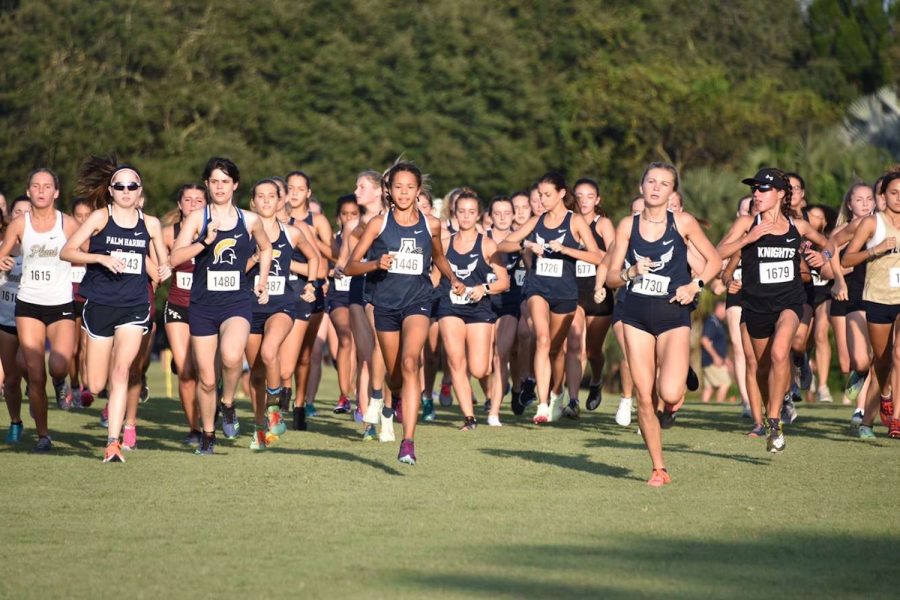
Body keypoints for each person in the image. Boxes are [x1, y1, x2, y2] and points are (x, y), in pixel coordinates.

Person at [605, 162, 721, 485]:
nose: (656, 187)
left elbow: (713, 261)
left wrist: (694, 286)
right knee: (644, 396)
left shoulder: (682, 222)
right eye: (651, 181)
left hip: (673, 316)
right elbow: (612, 276)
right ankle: (659, 468)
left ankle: (677, 377)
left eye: (664, 183)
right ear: (641, 187)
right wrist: (631, 272)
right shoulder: (627, 225)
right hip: (636, 316)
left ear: (672, 191)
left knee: (668, 392)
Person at [345, 161, 462, 464]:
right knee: (395, 375)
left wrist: (453, 279)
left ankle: (408, 442)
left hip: (419, 301)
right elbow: (350, 266)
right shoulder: (378, 224)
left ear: (418, 190)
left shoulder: (431, 224)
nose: (404, 193)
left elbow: (438, 257)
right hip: (385, 305)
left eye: (410, 187)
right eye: (398, 187)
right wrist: (375, 264)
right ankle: (393, 399)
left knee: (411, 363)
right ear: (389, 190)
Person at [60, 156, 170, 462]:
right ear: (111, 190)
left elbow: (163, 263)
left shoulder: (150, 223)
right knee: (96, 384)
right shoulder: (99, 218)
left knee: (121, 371)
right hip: (99, 305)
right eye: (119, 186)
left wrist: (165, 271)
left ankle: (113, 442)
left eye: (131, 186)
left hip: (134, 305)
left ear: (139, 191)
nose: (125, 190)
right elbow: (66, 251)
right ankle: (98, 393)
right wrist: (101, 258)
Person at [717, 167, 835, 453]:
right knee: (761, 368)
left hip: (790, 302)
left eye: (763, 189)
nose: (756, 194)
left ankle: (773, 422)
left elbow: (830, 243)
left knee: (781, 351)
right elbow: (717, 253)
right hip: (755, 305)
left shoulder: (799, 226)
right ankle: (773, 404)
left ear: (781, 194)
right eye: (754, 189)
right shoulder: (747, 222)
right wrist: (748, 238)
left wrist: (824, 256)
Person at [169, 157, 273, 455]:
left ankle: (227, 403)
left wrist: (262, 279)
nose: (219, 187)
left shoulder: (249, 220)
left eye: (225, 181)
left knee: (230, 357)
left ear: (235, 185)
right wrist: (204, 242)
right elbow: (175, 258)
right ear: (207, 184)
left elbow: (266, 248)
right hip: (202, 305)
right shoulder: (197, 219)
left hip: (236, 302)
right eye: (214, 181)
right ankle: (208, 435)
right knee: (206, 377)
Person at [497, 172, 604, 424]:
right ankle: (543, 405)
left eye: (547, 195)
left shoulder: (575, 221)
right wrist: (527, 244)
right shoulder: (537, 221)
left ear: (561, 194)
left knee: (556, 350)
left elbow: (598, 256)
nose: (542, 200)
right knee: (542, 339)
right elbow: (503, 245)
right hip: (538, 287)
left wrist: (566, 249)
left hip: (566, 293)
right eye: (540, 195)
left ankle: (557, 394)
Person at [0, 168, 79, 452]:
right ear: (29, 190)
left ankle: (61, 381)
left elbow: (85, 252)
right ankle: (43, 434)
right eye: (36, 186)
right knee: (34, 374)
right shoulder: (20, 224)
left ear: (56, 192)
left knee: (58, 364)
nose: (41, 191)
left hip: (59, 304)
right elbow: (3, 253)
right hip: (29, 304)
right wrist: (3, 262)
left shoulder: (67, 224)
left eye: (47, 186)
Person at [244, 178, 318, 450]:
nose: (265, 201)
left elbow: (315, 259)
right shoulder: (242, 232)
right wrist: (255, 257)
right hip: (249, 307)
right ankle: (260, 427)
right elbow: (233, 272)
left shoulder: (292, 233)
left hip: (282, 305)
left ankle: (275, 410)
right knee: (256, 374)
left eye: (271, 196)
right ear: (252, 202)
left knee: (269, 351)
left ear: (280, 201)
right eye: (260, 196)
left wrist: (312, 284)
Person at [436, 189, 509, 428]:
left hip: (479, 308)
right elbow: (434, 279)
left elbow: (504, 281)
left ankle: (491, 393)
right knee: (456, 361)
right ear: (454, 213)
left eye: (471, 212)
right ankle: (469, 417)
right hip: (450, 307)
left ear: (478, 215)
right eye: (461, 212)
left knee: (479, 368)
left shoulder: (488, 245)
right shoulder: (444, 244)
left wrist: (484, 288)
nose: (466, 217)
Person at [840, 171, 900, 439]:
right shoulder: (872, 224)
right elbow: (847, 259)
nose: (898, 198)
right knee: (883, 361)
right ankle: (879, 402)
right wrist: (876, 250)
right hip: (877, 298)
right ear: (883, 196)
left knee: (899, 353)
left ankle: (896, 418)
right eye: (893, 193)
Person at [279, 170, 329, 427]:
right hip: (277, 295)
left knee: (305, 354)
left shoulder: (305, 226)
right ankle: (280, 399)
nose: (293, 193)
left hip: (306, 293)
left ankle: (300, 405)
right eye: (289, 188)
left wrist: (294, 270)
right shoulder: (257, 225)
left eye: (300, 188)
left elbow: (321, 265)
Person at [565, 178, 615, 417]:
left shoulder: (603, 224)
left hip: (598, 292)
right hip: (573, 292)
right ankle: (573, 400)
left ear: (597, 200)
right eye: (580, 196)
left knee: (593, 352)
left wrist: (589, 253)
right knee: (575, 346)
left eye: (589, 196)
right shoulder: (567, 221)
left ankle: (596, 380)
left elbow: (616, 256)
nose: (584, 201)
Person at [162, 183, 206, 445]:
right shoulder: (169, 234)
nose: (193, 204)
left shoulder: (220, 233)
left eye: (199, 200)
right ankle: (194, 428)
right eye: (188, 200)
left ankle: (210, 414)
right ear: (180, 205)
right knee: (186, 370)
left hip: (209, 309)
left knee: (207, 373)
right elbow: (151, 261)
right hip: (178, 306)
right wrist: (162, 266)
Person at [828, 182, 874, 423]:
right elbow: (829, 248)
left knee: (888, 355)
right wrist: (838, 280)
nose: (865, 204)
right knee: (861, 359)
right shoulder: (853, 226)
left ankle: (863, 408)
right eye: (859, 200)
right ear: (849, 204)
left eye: (869, 199)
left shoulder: (886, 225)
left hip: (885, 295)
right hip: (856, 294)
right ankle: (861, 373)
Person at [326, 195, 359, 415]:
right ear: (338, 218)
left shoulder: (369, 236)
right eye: (345, 214)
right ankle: (344, 395)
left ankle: (360, 392)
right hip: (339, 295)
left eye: (354, 214)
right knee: (346, 337)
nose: (349, 218)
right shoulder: (333, 241)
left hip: (361, 295)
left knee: (364, 346)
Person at [1, 197, 30, 443]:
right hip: (6, 319)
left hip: (33, 317)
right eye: (17, 211)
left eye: (26, 212)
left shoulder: (43, 248)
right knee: (10, 380)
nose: (21, 216)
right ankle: (15, 421)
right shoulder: (2, 245)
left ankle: (40, 415)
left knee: (29, 368)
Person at [68, 197, 93, 408]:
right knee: (73, 349)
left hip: (89, 299)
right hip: (67, 299)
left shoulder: (97, 240)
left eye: (87, 215)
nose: (83, 219)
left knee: (86, 346)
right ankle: (73, 385)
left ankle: (86, 389)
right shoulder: (67, 240)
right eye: (79, 215)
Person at [700, 300, 732, 404]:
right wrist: (715, 357)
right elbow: (704, 340)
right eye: (724, 308)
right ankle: (720, 404)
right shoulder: (712, 321)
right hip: (711, 361)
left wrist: (726, 359)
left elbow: (719, 344)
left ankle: (703, 410)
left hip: (712, 360)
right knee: (725, 383)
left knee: (709, 387)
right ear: (718, 308)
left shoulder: (718, 323)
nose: (726, 312)